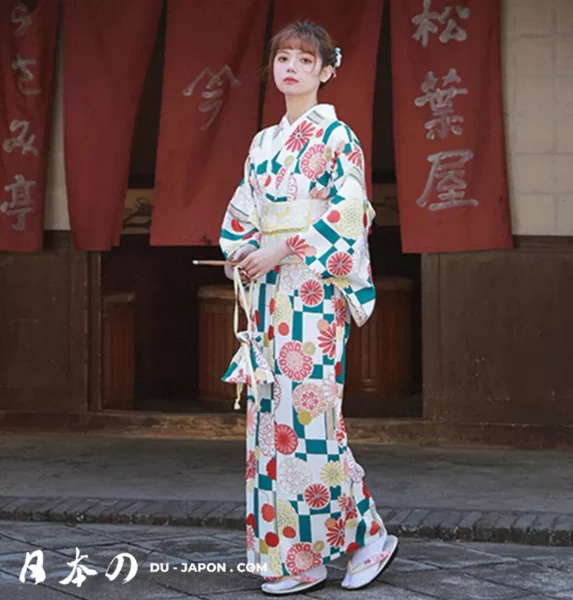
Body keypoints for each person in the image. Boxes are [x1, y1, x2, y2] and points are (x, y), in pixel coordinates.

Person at [219, 20, 398, 596]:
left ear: (326, 70)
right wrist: (244, 249)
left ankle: (368, 534)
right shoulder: (263, 143)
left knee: (313, 422)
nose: (291, 67)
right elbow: (242, 213)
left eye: (304, 59)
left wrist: (282, 247)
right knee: (273, 425)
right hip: (269, 295)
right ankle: (297, 558)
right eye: (283, 59)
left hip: (314, 293)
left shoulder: (337, 137)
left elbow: (349, 215)